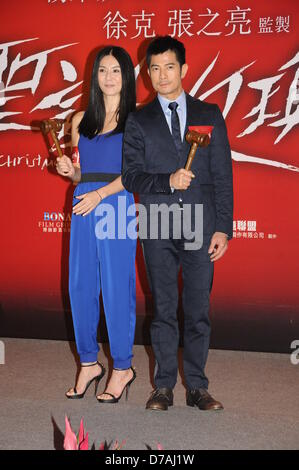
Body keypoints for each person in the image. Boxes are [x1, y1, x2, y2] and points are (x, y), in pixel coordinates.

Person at [122, 36, 233, 411]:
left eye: (169, 66)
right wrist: (167, 180)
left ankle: (198, 387)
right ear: (146, 73)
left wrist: (223, 227)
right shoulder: (138, 119)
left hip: (201, 226)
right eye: (154, 68)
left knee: (198, 309)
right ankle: (164, 386)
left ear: (184, 70)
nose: (162, 75)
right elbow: (131, 177)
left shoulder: (209, 113)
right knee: (164, 309)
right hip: (156, 224)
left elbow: (222, 175)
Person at [56, 46, 137, 403]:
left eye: (116, 70)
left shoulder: (137, 120)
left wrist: (100, 195)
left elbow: (134, 174)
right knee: (80, 285)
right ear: (95, 76)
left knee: (117, 288)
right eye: (103, 70)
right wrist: (69, 172)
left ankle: (122, 367)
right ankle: (89, 362)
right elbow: (79, 173)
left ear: (127, 76)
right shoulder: (80, 119)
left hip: (115, 202)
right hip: (83, 203)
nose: (109, 77)